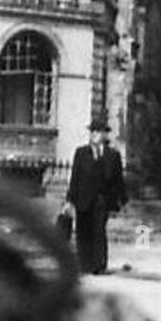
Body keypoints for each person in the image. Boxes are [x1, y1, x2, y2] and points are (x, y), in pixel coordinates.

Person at [63, 113, 127, 275]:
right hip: (83, 198)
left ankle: (99, 264)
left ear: (105, 135)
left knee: (99, 231)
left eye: (98, 132)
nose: (94, 135)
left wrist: (122, 200)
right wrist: (69, 200)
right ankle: (84, 264)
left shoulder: (112, 155)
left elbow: (118, 179)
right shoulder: (81, 153)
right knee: (83, 231)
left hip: (102, 199)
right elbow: (75, 178)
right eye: (92, 132)